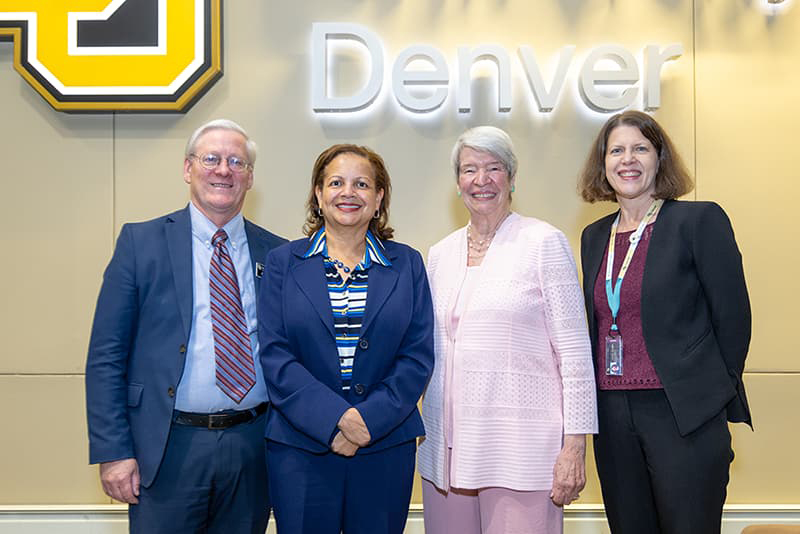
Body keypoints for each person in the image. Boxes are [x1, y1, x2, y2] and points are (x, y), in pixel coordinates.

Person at [85, 119, 286, 533]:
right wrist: (113, 450)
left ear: (250, 177)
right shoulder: (141, 244)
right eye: (211, 158)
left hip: (252, 444)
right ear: (187, 168)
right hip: (166, 445)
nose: (223, 170)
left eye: (237, 162)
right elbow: (107, 355)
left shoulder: (278, 253)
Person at [577, 110, 751, 534]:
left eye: (640, 148)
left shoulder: (698, 221)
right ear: (603, 164)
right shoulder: (594, 236)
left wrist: (708, 394)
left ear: (660, 159)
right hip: (613, 415)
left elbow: (733, 318)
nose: (627, 159)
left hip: (682, 413)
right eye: (616, 150)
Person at [417, 126, 598, 534]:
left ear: (512, 178)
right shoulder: (439, 254)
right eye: (469, 170)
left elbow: (574, 352)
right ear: (457, 182)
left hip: (522, 452)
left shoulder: (543, 242)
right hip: (444, 454)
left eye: (493, 168)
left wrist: (575, 446)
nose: (481, 180)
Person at [258, 144, 434, 534]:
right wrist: (337, 419)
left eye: (362, 184)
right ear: (318, 195)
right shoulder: (283, 263)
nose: (348, 193)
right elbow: (274, 354)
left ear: (379, 198)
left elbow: (417, 356)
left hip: (384, 444)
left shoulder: (407, 263)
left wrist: (367, 420)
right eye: (336, 182)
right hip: (301, 447)